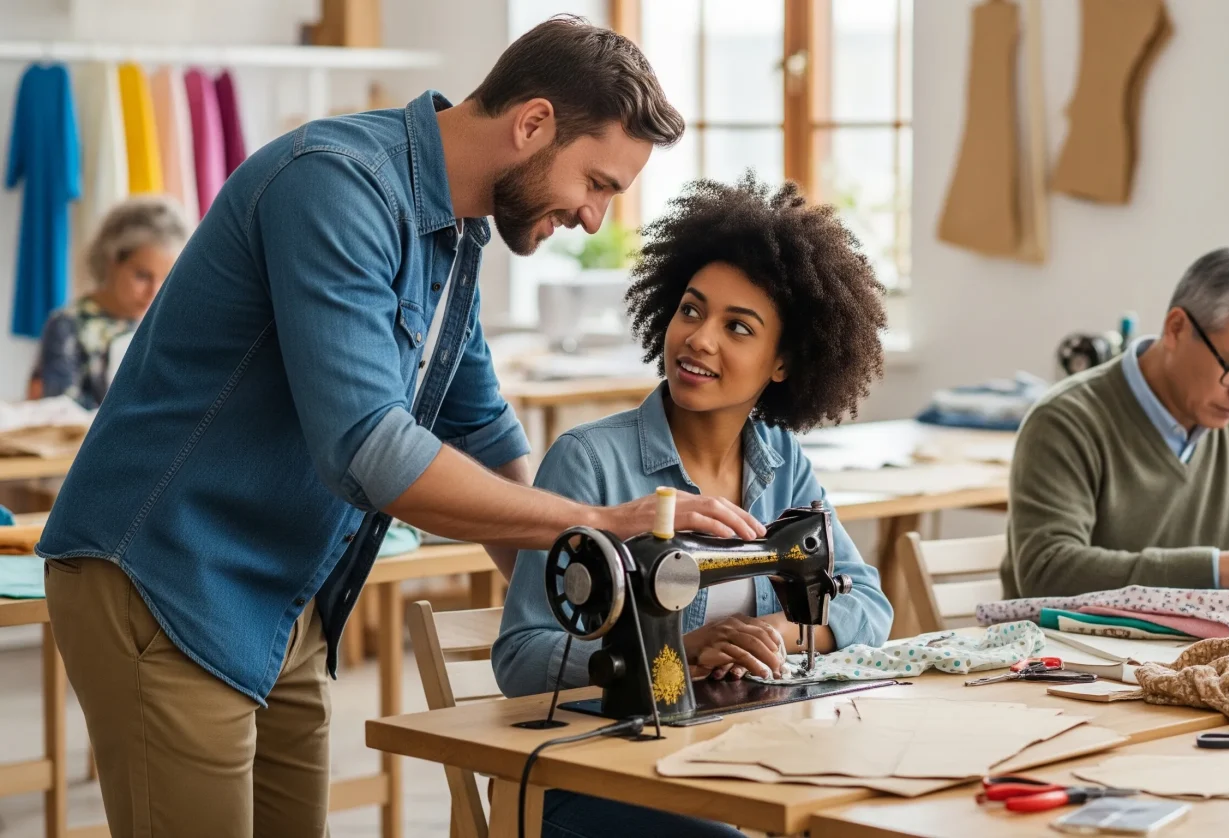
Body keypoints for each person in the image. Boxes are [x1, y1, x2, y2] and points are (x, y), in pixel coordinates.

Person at [37, 18, 766, 838]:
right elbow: (370, 449)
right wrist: (596, 521)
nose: (596, 217)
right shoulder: (335, 184)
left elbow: (484, 429)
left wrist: (597, 594)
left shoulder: (456, 232)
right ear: (531, 125)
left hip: (283, 594)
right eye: (596, 182)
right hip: (163, 575)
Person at [493, 174, 894, 838]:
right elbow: (520, 655)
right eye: (691, 310)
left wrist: (780, 637)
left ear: (783, 363)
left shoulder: (781, 462)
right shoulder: (590, 462)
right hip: (596, 773)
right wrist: (673, 650)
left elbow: (869, 605)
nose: (700, 339)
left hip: (742, 758)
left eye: (738, 327)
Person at [1005, 246, 1229, 601]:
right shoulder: (1066, 421)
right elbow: (1047, 570)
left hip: (1178, 656)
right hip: (1060, 655)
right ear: (1176, 329)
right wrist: (1213, 571)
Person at [27, 196, 188, 409]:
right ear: (112, 261)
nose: (154, 292)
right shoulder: (67, 326)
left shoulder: (168, 326)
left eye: (166, 279)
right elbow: (61, 412)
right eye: (142, 275)